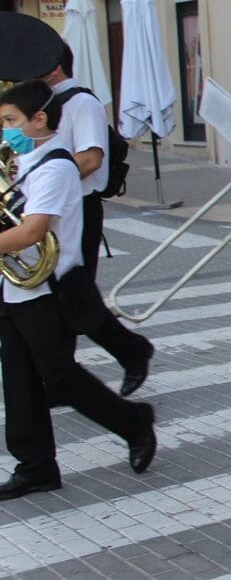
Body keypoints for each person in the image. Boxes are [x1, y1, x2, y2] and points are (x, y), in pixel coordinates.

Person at [0, 80, 156, 501]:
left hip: (49, 289)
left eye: (11, 121)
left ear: (40, 119)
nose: (5, 129)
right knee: (18, 381)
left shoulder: (55, 166)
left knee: (60, 378)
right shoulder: (20, 161)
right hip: (14, 287)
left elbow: (32, 232)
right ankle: (35, 467)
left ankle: (133, 421)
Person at [38, 46, 156, 397]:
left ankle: (129, 350)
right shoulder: (39, 103)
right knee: (58, 295)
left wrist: (47, 175)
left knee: (73, 292)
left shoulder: (81, 103)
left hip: (79, 207)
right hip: (50, 206)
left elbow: (90, 159)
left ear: (55, 66)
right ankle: (63, 375)